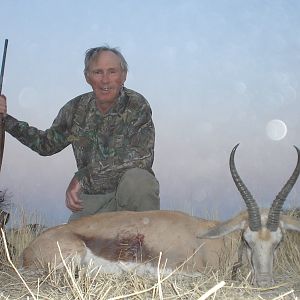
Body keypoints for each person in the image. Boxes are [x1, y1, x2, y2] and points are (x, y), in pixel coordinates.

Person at [0, 46, 160, 222]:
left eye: (112, 72)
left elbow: (141, 157)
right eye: (98, 72)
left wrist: (82, 177)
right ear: (87, 77)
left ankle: (144, 244)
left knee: (139, 180)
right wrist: (5, 120)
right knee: (68, 245)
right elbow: (46, 145)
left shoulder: (137, 105)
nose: (105, 80)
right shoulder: (74, 109)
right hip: (93, 200)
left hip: (130, 196)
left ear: (124, 75)